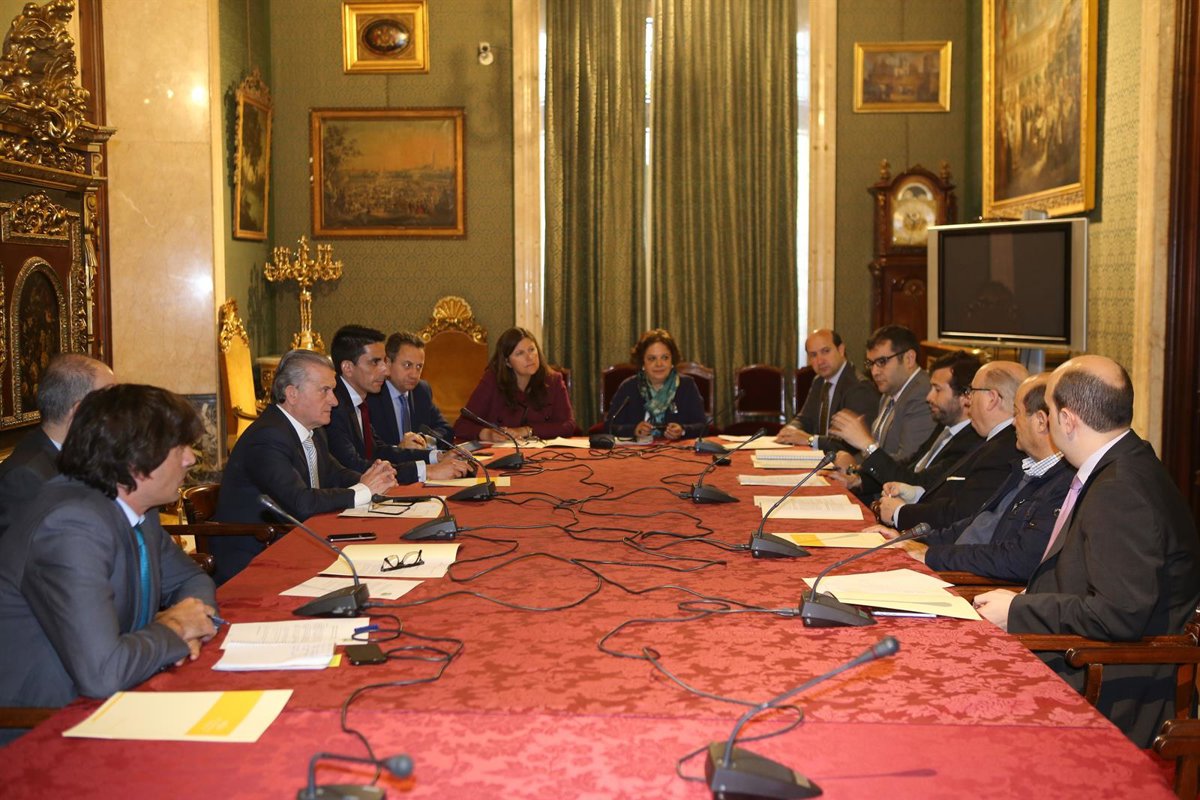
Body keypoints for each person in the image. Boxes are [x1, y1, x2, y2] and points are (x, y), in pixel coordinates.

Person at [974, 356, 1200, 746]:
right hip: (1079, 651)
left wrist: (1019, 611)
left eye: (1049, 410)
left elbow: (1119, 614)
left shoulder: (1120, 489)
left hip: (1109, 681)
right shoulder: (1125, 461)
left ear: (1067, 419)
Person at [0, 384, 217, 712]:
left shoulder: (138, 510)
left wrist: (194, 621)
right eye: (179, 447)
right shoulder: (71, 525)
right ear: (134, 459)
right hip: (46, 718)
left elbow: (193, 580)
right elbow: (103, 674)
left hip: (121, 689)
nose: (191, 459)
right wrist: (175, 627)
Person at [211, 349, 397, 583]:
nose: (334, 401)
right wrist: (364, 490)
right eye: (325, 390)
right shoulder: (267, 437)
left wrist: (372, 477)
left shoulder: (312, 430)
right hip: (255, 558)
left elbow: (334, 473)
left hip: (293, 543)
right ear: (292, 394)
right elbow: (301, 503)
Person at [890, 373, 1074, 583]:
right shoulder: (1025, 469)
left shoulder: (1063, 484)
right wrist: (914, 540)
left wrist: (933, 555)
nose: (1013, 423)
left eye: (1017, 413)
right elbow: (976, 523)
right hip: (961, 566)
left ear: (1041, 421)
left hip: (980, 583)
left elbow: (1017, 559)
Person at [876, 360, 1027, 531]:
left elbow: (961, 514)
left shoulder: (1003, 450)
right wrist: (917, 494)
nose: (968, 400)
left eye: (971, 392)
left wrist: (899, 512)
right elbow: (958, 494)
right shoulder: (995, 441)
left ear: (991, 399)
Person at [833, 350, 982, 500]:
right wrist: (858, 481)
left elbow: (917, 484)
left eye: (937, 389)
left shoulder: (970, 443)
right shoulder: (945, 426)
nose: (929, 397)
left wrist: (868, 445)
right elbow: (909, 467)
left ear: (965, 396)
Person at [325, 325, 466, 482]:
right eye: (375, 362)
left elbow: (379, 451)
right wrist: (426, 471)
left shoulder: (357, 402)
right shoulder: (333, 406)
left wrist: (437, 456)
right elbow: (355, 466)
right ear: (348, 368)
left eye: (384, 361)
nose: (385, 371)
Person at [0, 354, 115, 539]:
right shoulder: (26, 477)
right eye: (111, 403)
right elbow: (21, 554)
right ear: (79, 412)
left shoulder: (87, 452)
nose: (117, 413)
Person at [828, 325, 936, 468]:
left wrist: (856, 469)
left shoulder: (923, 395)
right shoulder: (889, 392)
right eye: (871, 363)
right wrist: (851, 463)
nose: (874, 372)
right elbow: (878, 451)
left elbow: (907, 464)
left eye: (882, 362)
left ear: (909, 359)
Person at [453, 327, 577, 441]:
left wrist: (526, 430)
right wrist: (487, 434)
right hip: (503, 453)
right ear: (507, 362)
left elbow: (568, 425)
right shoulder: (492, 381)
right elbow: (461, 426)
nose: (530, 357)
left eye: (532, 350)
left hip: (544, 453)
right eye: (520, 353)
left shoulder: (553, 380)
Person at [776, 329, 878, 447]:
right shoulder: (819, 381)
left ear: (841, 350)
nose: (820, 361)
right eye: (813, 355)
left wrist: (810, 440)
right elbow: (805, 418)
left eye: (825, 351)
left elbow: (851, 444)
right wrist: (790, 430)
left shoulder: (859, 388)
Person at [607, 328, 707, 440]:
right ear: (643, 362)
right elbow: (609, 426)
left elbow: (703, 426)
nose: (659, 364)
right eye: (652, 358)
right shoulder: (629, 387)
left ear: (672, 361)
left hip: (676, 450)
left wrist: (682, 430)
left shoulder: (687, 385)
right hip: (637, 449)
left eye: (665, 357)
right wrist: (633, 430)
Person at [367, 331, 454, 447]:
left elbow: (446, 430)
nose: (414, 375)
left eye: (419, 367)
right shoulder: (371, 394)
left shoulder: (421, 390)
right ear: (387, 362)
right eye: (407, 365)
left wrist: (424, 440)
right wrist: (399, 449)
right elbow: (370, 446)